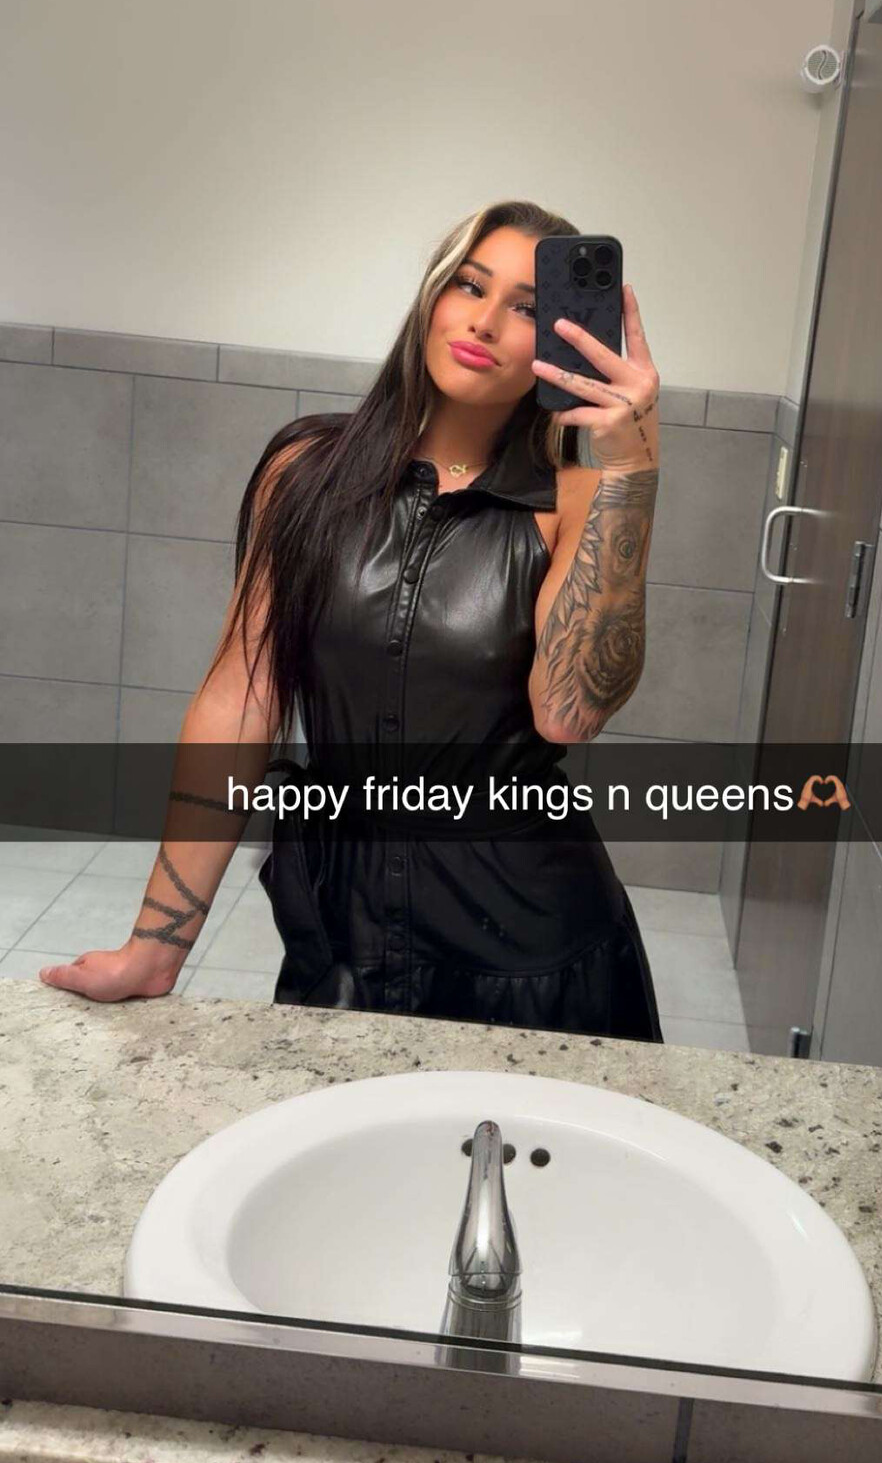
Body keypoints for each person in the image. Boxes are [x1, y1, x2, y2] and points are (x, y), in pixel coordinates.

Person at [40, 201, 664, 1041]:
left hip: (532, 953)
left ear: (560, 340)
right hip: (342, 937)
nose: (483, 320)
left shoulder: (578, 498)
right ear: (431, 296)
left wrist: (630, 472)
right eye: (469, 285)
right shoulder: (305, 473)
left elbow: (569, 711)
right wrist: (156, 948)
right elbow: (239, 702)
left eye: (524, 307)